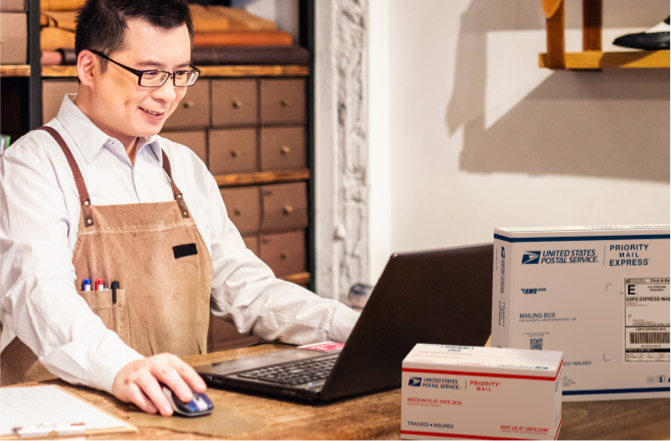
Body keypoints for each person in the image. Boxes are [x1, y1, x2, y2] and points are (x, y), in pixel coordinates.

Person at [0, 0, 359, 416]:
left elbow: (247, 289)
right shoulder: (31, 166)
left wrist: (346, 324)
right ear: (88, 67)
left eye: (180, 74)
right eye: (149, 73)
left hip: (174, 412)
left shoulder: (183, 167)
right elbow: (39, 294)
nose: (168, 94)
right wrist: (124, 368)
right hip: (64, 418)